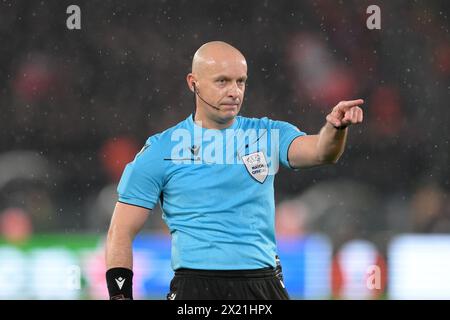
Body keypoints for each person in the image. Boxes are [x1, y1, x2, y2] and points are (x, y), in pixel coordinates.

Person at [105, 41, 363, 300]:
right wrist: (120, 297)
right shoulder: (162, 149)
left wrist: (335, 128)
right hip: (195, 288)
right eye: (222, 81)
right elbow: (121, 230)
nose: (234, 92)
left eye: (241, 81)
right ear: (193, 82)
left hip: (262, 284)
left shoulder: (268, 134)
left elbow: (322, 152)